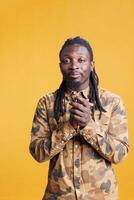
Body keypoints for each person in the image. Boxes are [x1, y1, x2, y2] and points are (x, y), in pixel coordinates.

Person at [29, 36, 129, 200]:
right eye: (66, 60)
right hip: (59, 196)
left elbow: (119, 154)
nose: (74, 66)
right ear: (60, 66)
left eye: (81, 60)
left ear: (91, 65)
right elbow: (38, 153)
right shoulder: (46, 103)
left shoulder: (112, 102)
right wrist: (69, 126)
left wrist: (87, 125)